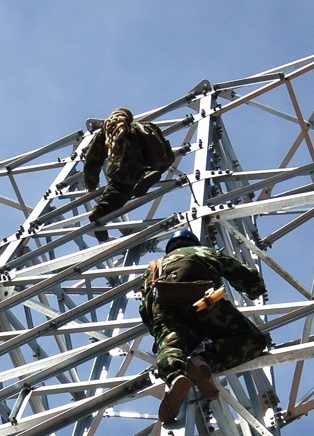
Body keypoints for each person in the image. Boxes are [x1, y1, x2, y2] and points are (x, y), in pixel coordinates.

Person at [139, 229, 269, 423]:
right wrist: (255, 288)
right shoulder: (200, 251)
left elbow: (145, 307)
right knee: (253, 340)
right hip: (201, 302)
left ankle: (174, 376)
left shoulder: (152, 267)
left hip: (165, 308)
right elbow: (234, 268)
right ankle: (203, 361)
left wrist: (159, 328)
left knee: (171, 342)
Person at [83, 107, 166, 242]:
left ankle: (100, 213)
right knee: (143, 172)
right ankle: (145, 176)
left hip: (118, 172)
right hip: (137, 166)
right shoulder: (139, 128)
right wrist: (164, 163)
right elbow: (159, 147)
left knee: (114, 195)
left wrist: (91, 184)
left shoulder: (106, 131)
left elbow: (92, 159)